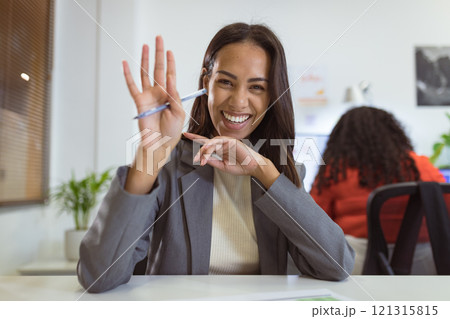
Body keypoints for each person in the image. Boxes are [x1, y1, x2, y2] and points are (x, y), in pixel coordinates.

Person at [77, 23, 354, 293]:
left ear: (272, 95)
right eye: (226, 82)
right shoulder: (168, 163)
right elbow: (98, 276)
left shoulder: (277, 170)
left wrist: (262, 171)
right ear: (206, 82)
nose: (238, 101)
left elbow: (337, 265)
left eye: (256, 87)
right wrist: (151, 153)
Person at [310, 106, 446, 275]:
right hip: (422, 258)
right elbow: (443, 210)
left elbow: (314, 221)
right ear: (393, 133)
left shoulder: (336, 172)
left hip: (359, 259)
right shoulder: (421, 165)